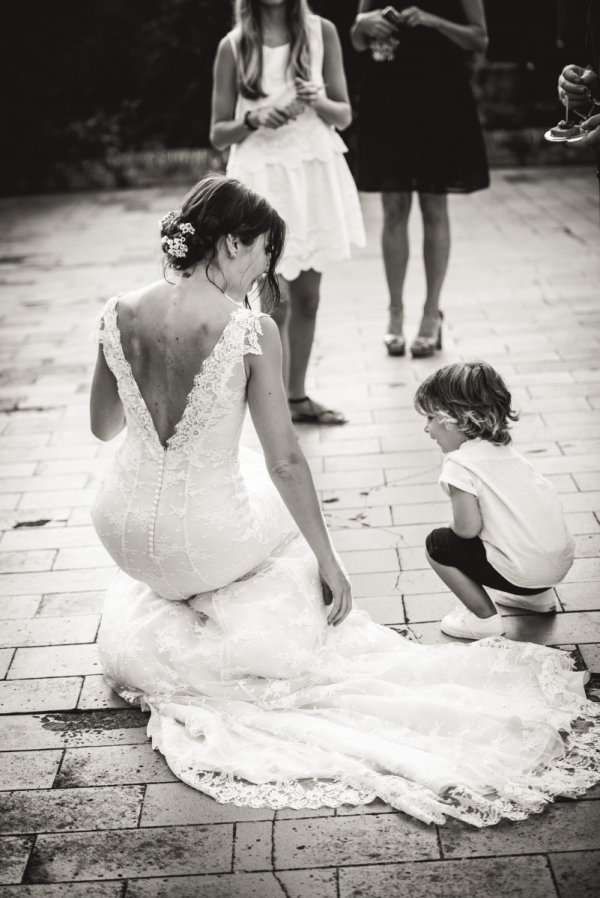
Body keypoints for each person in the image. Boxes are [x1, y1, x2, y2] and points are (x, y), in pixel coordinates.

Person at [90, 176, 599, 825]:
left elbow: (105, 426)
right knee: (287, 528)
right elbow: (285, 461)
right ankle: (274, 608)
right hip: (203, 542)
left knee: (230, 479)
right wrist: (331, 560)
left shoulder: (117, 310)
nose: (264, 272)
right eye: (262, 255)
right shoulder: (248, 330)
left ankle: (192, 584)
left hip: (123, 532)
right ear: (230, 242)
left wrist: (154, 402)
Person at [210, 0, 365, 425]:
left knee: (309, 299)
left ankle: (297, 397)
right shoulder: (234, 46)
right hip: (262, 176)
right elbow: (219, 131)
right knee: (270, 301)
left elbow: (344, 114)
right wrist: (255, 118)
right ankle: (271, 405)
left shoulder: (322, 32)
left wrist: (318, 100)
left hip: (312, 168)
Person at [350, 2, 489, 357]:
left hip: (439, 99)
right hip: (388, 100)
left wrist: (431, 21)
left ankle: (431, 314)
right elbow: (356, 40)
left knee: (433, 204)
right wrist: (364, 23)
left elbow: (479, 39)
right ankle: (395, 313)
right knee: (393, 207)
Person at [414, 362, 576, 641]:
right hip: (556, 567)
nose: (427, 429)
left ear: (452, 419)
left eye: (430, 418)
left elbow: (467, 529)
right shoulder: (507, 452)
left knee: (437, 544)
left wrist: (452, 524)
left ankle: (482, 619)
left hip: (521, 573)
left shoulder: (460, 463)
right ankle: (537, 599)